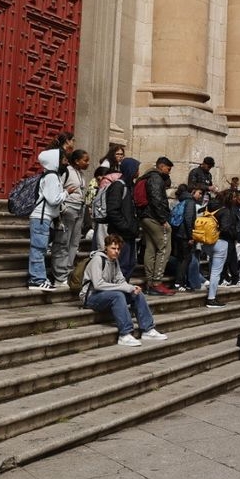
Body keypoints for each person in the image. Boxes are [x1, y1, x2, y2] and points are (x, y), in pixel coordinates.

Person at [80, 234, 168, 347]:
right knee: (118, 295)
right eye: (113, 248)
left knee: (137, 294)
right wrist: (125, 288)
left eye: (118, 249)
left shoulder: (114, 261)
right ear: (106, 247)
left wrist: (131, 288)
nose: (116, 251)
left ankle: (148, 329)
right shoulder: (97, 260)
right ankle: (125, 334)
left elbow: (121, 281)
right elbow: (98, 284)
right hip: (91, 297)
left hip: (106, 294)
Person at [27, 147, 77, 291]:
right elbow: (53, 199)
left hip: (44, 217)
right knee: (39, 248)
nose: (65, 162)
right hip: (41, 217)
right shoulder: (51, 176)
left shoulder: (51, 175)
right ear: (55, 161)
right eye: (63, 159)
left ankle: (38, 278)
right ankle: (36, 279)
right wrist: (66, 193)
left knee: (40, 248)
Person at [51, 148, 90, 289]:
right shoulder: (66, 171)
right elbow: (58, 189)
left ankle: (68, 272)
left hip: (80, 209)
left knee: (74, 243)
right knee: (63, 242)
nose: (87, 164)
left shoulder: (81, 174)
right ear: (76, 161)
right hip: (69, 209)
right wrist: (63, 208)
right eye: (85, 161)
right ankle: (59, 275)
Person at [139, 156, 174, 295]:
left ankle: (150, 281)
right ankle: (156, 282)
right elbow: (156, 199)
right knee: (165, 247)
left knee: (151, 248)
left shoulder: (147, 176)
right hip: (154, 217)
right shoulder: (155, 178)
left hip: (145, 217)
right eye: (168, 168)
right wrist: (162, 219)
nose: (169, 172)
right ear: (161, 166)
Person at [104, 157, 140, 278]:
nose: (138, 171)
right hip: (121, 233)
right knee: (122, 265)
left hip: (129, 233)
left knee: (130, 264)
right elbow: (113, 210)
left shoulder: (130, 186)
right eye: (136, 168)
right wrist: (125, 226)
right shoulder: (118, 186)